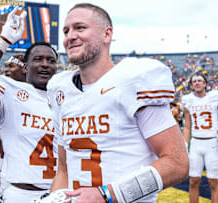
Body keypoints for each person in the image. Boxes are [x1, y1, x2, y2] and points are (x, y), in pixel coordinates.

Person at [46, 3, 189, 203]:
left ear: (107, 35)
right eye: (66, 31)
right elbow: (63, 170)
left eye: (80, 28)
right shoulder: (60, 90)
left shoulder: (133, 80)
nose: (70, 36)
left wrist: (107, 194)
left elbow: (177, 164)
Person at [0, 7, 59, 202]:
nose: (45, 64)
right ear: (25, 67)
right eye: (38, 59)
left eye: (51, 60)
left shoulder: (66, 97)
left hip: (57, 193)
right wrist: (4, 40)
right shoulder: (10, 90)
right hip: (19, 193)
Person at [181, 72, 218, 203]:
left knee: (213, 182)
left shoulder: (215, 97)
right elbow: (187, 126)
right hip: (196, 143)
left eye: (199, 80)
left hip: (212, 144)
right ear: (191, 86)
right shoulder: (187, 100)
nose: (197, 83)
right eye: (194, 81)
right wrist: (185, 145)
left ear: (205, 84)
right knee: (193, 181)